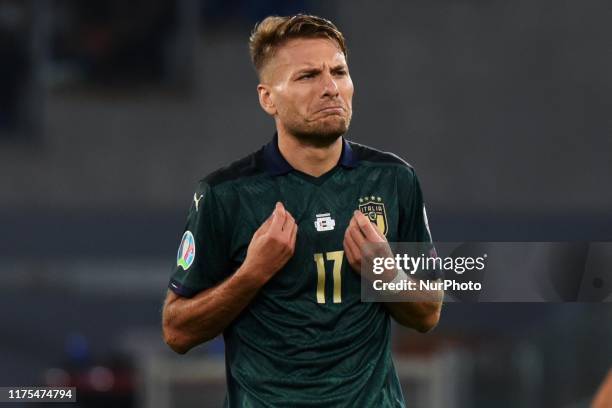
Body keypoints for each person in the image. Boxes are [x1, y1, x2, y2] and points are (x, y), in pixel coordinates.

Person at [162, 14, 443, 407]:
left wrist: (386, 273)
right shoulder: (226, 195)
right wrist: (251, 274)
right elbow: (176, 332)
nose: (330, 88)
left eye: (339, 72)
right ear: (268, 98)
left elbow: (428, 313)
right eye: (308, 76)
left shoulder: (394, 180)